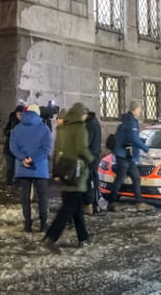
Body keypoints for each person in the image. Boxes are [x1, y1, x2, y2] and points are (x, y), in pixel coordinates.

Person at [41, 102, 94, 253]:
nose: (85, 118)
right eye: (84, 115)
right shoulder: (79, 128)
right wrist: (91, 160)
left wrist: (56, 172)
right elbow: (82, 149)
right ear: (80, 114)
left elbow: (56, 150)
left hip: (64, 171)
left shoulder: (62, 128)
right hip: (76, 172)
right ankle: (51, 237)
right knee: (69, 207)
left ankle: (83, 238)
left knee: (75, 206)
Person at [9, 103, 53, 232]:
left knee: (25, 197)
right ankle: (43, 224)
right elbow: (47, 148)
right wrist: (33, 158)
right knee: (42, 197)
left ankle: (27, 224)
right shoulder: (44, 128)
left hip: (23, 167)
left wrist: (24, 158)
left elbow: (13, 147)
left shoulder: (17, 128)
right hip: (39, 167)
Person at [107, 100, 150, 212]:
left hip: (126, 154)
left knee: (135, 177)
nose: (140, 111)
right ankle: (112, 202)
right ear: (135, 109)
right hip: (124, 154)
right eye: (140, 109)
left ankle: (139, 202)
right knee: (120, 178)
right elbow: (133, 139)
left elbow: (129, 137)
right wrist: (145, 148)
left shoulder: (126, 119)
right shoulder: (131, 121)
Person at [84, 109, 104, 215]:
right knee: (92, 180)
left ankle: (94, 205)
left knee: (92, 180)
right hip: (93, 155)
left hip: (92, 156)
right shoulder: (91, 122)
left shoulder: (91, 124)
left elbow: (87, 141)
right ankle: (94, 205)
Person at [2, 104, 25, 192]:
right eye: (18, 114)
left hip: (19, 149)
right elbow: (5, 131)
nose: (19, 116)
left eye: (21, 114)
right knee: (9, 167)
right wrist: (11, 132)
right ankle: (9, 184)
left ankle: (17, 184)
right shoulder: (12, 120)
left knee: (18, 167)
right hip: (9, 147)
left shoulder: (25, 122)